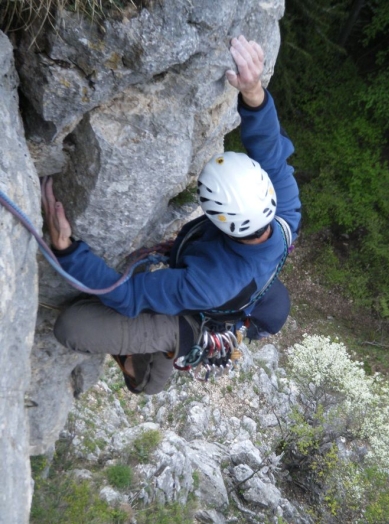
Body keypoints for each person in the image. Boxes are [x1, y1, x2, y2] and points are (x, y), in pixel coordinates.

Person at [42, 35, 300, 395]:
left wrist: (68, 251)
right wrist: (253, 93)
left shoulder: (210, 282)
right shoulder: (286, 213)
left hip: (187, 321)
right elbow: (271, 151)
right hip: (219, 289)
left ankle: (144, 369)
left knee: (72, 328)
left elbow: (129, 295)